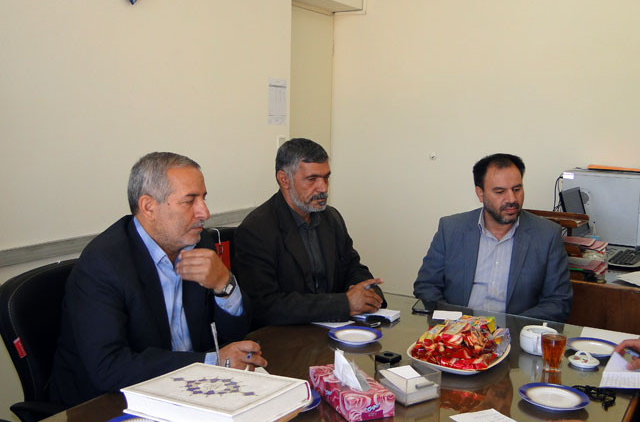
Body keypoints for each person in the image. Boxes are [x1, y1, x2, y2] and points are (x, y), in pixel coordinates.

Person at [50, 152, 266, 407]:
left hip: (191, 391)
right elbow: (109, 367)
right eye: (190, 201)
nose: (205, 212)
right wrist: (211, 361)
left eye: (203, 198)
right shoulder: (103, 264)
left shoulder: (198, 243)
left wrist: (224, 284)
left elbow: (234, 336)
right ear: (149, 207)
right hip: (107, 404)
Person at [233, 138, 385, 328]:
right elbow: (264, 306)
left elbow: (352, 267)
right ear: (284, 179)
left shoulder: (331, 217)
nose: (323, 188)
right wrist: (343, 303)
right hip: (284, 336)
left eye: (326, 177)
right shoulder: (256, 230)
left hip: (333, 331)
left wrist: (368, 292)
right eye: (312, 179)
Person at [413, 153, 572, 322]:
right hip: (457, 329)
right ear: (480, 194)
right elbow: (427, 285)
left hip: (514, 331)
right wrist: (456, 324)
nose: (512, 199)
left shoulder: (547, 235)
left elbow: (558, 302)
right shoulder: (451, 229)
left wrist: (510, 327)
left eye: (517, 189)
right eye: (500, 191)